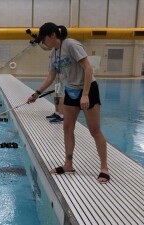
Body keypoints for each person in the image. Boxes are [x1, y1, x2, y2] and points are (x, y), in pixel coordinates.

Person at [27, 22, 110, 183]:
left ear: (52, 35)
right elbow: (51, 77)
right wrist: (36, 94)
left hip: (88, 89)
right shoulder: (54, 53)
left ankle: (104, 168)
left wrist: (85, 94)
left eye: (43, 40)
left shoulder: (71, 45)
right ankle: (68, 164)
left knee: (94, 130)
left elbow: (88, 68)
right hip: (71, 91)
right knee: (67, 127)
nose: (43, 44)